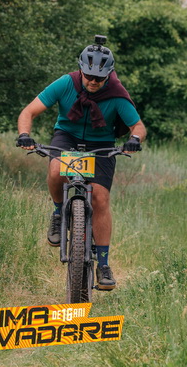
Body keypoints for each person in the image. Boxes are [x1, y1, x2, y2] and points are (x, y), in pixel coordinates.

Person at [16, 35, 146, 290]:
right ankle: (58, 213)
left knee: (100, 198)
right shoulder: (66, 83)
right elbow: (29, 111)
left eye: (99, 78)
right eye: (88, 76)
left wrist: (134, 139)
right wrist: (24, 134)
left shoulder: (117, 94)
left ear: (108, 75)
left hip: (101, 144)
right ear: (81, 70)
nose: (93, 82)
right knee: (56, 170)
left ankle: (104, 265)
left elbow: (138, 126)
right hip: (67, 136)